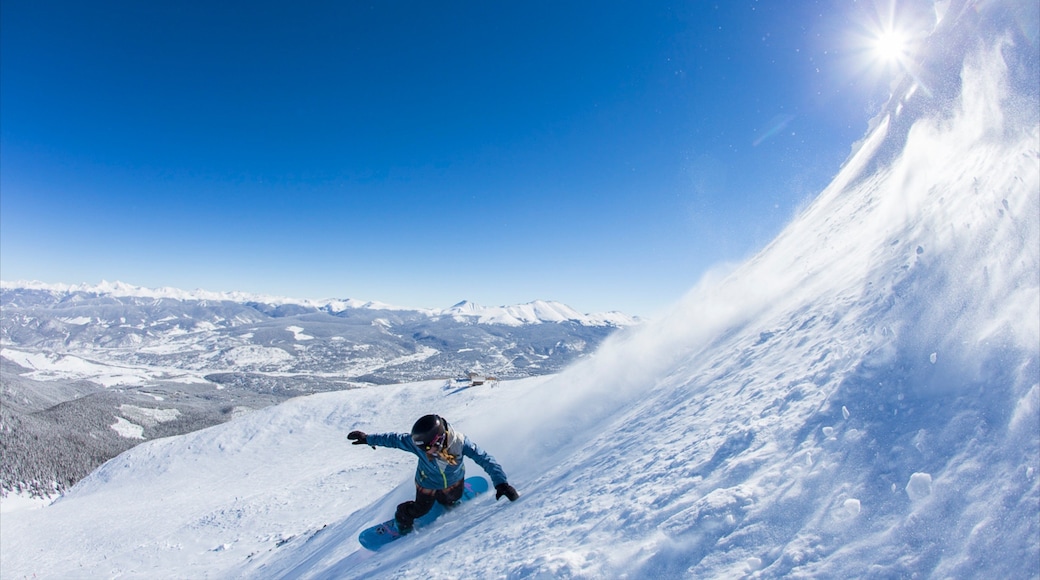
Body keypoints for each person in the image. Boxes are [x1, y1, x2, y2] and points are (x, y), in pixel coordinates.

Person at [348, 414, 519, 534]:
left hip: (454, 482)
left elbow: (485, 459)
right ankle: (402, 517)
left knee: (451, 499)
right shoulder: (419, 444)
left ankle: (446, 500)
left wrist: (501, 483)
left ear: (439, 440)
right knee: (420, 509)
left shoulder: (460, 444)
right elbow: (394, 439)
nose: (423, 451)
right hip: (426, 483)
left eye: (426, 448)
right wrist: (368, 438)